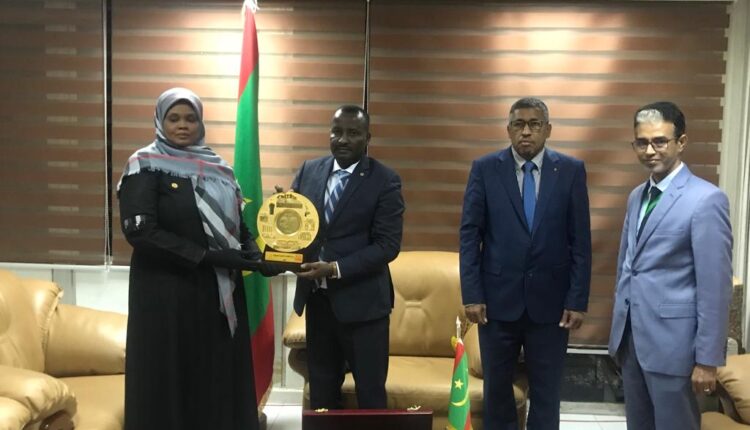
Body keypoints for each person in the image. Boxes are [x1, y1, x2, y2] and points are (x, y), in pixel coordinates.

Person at [118, 87, 265, 430]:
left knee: (217, 376)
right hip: (166, 293)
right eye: (174, 118)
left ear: (200, 123)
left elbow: (237, 224)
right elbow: (141, 232)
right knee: (170, 377)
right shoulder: (144, 165)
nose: (183, 125)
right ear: (160, 121)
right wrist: (207, 256)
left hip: (219, 294)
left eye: (190, 118)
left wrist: (256, 255)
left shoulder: (220, 169)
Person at [460, 97, 592, 430]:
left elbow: (580, 241)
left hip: (552, 305)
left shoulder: (571, 171)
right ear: (508, 129)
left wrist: (577, 300)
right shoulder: (485, 169)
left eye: (535, 124)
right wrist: (472, 295)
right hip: (496, 303)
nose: (526, 132)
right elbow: (469, 236)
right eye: (518, 124)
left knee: (547, 394)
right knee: (497, 392)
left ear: (548, 129)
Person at [608, 101, 732, 430]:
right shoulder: (637, 196)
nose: (650, 150)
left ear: (681, 142)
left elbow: (715, 288)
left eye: (660, 141)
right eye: (642, 142)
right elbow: (628, 266)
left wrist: (708, 359)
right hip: (632, 342)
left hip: (676, 348)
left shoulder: (706, 200)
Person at [289, 104, 404, 409]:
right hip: (318, 303)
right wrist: (284, 214)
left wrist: (334, 269)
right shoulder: (309, 170)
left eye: (353, 133)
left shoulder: (385, 180)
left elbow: (387, 246)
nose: (342, 139)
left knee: (370, 395)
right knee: (322, 392)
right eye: (336, 131)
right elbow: (300, 230)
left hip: (364, 306)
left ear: (367, 137)